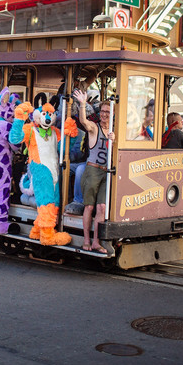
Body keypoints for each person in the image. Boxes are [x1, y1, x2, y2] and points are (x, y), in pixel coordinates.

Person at [74, 90, 115, 253]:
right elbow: (83, 121)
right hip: (92, 171)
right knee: (89, 207)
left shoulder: (113, 132)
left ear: (112, 114)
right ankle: (86, 240)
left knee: (102, 208)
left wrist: (115, 139)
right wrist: (83, 104)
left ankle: (96, 242)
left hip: (107, 173)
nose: (104, 115)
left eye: (108, 112)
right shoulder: (94, 128)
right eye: (103, 111)